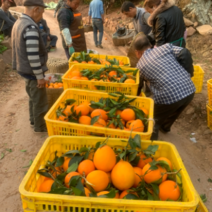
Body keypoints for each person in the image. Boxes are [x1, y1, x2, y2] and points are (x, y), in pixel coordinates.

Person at [134, 34, 195, 140]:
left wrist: (134, 99)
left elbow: (138, 85)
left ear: (137, 52)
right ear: (150, 45)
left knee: (153, 120)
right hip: (189, 90)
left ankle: (151, 146)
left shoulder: (140, 65)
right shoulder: (166, 47)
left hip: (169, 95)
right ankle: (165, 127)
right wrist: (188, 73)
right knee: (175, 109)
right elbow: (184, 52)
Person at [12, 0, 48, 133]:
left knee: (33, 98)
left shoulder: (19, 22)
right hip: (32, 71)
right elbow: (33, 55)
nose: (42, 16)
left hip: (24, 69)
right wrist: (39, 76)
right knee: (40, 101)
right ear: (36, 10)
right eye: (42, 13)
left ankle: (33, 120)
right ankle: (40, 126)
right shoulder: (31, 27)